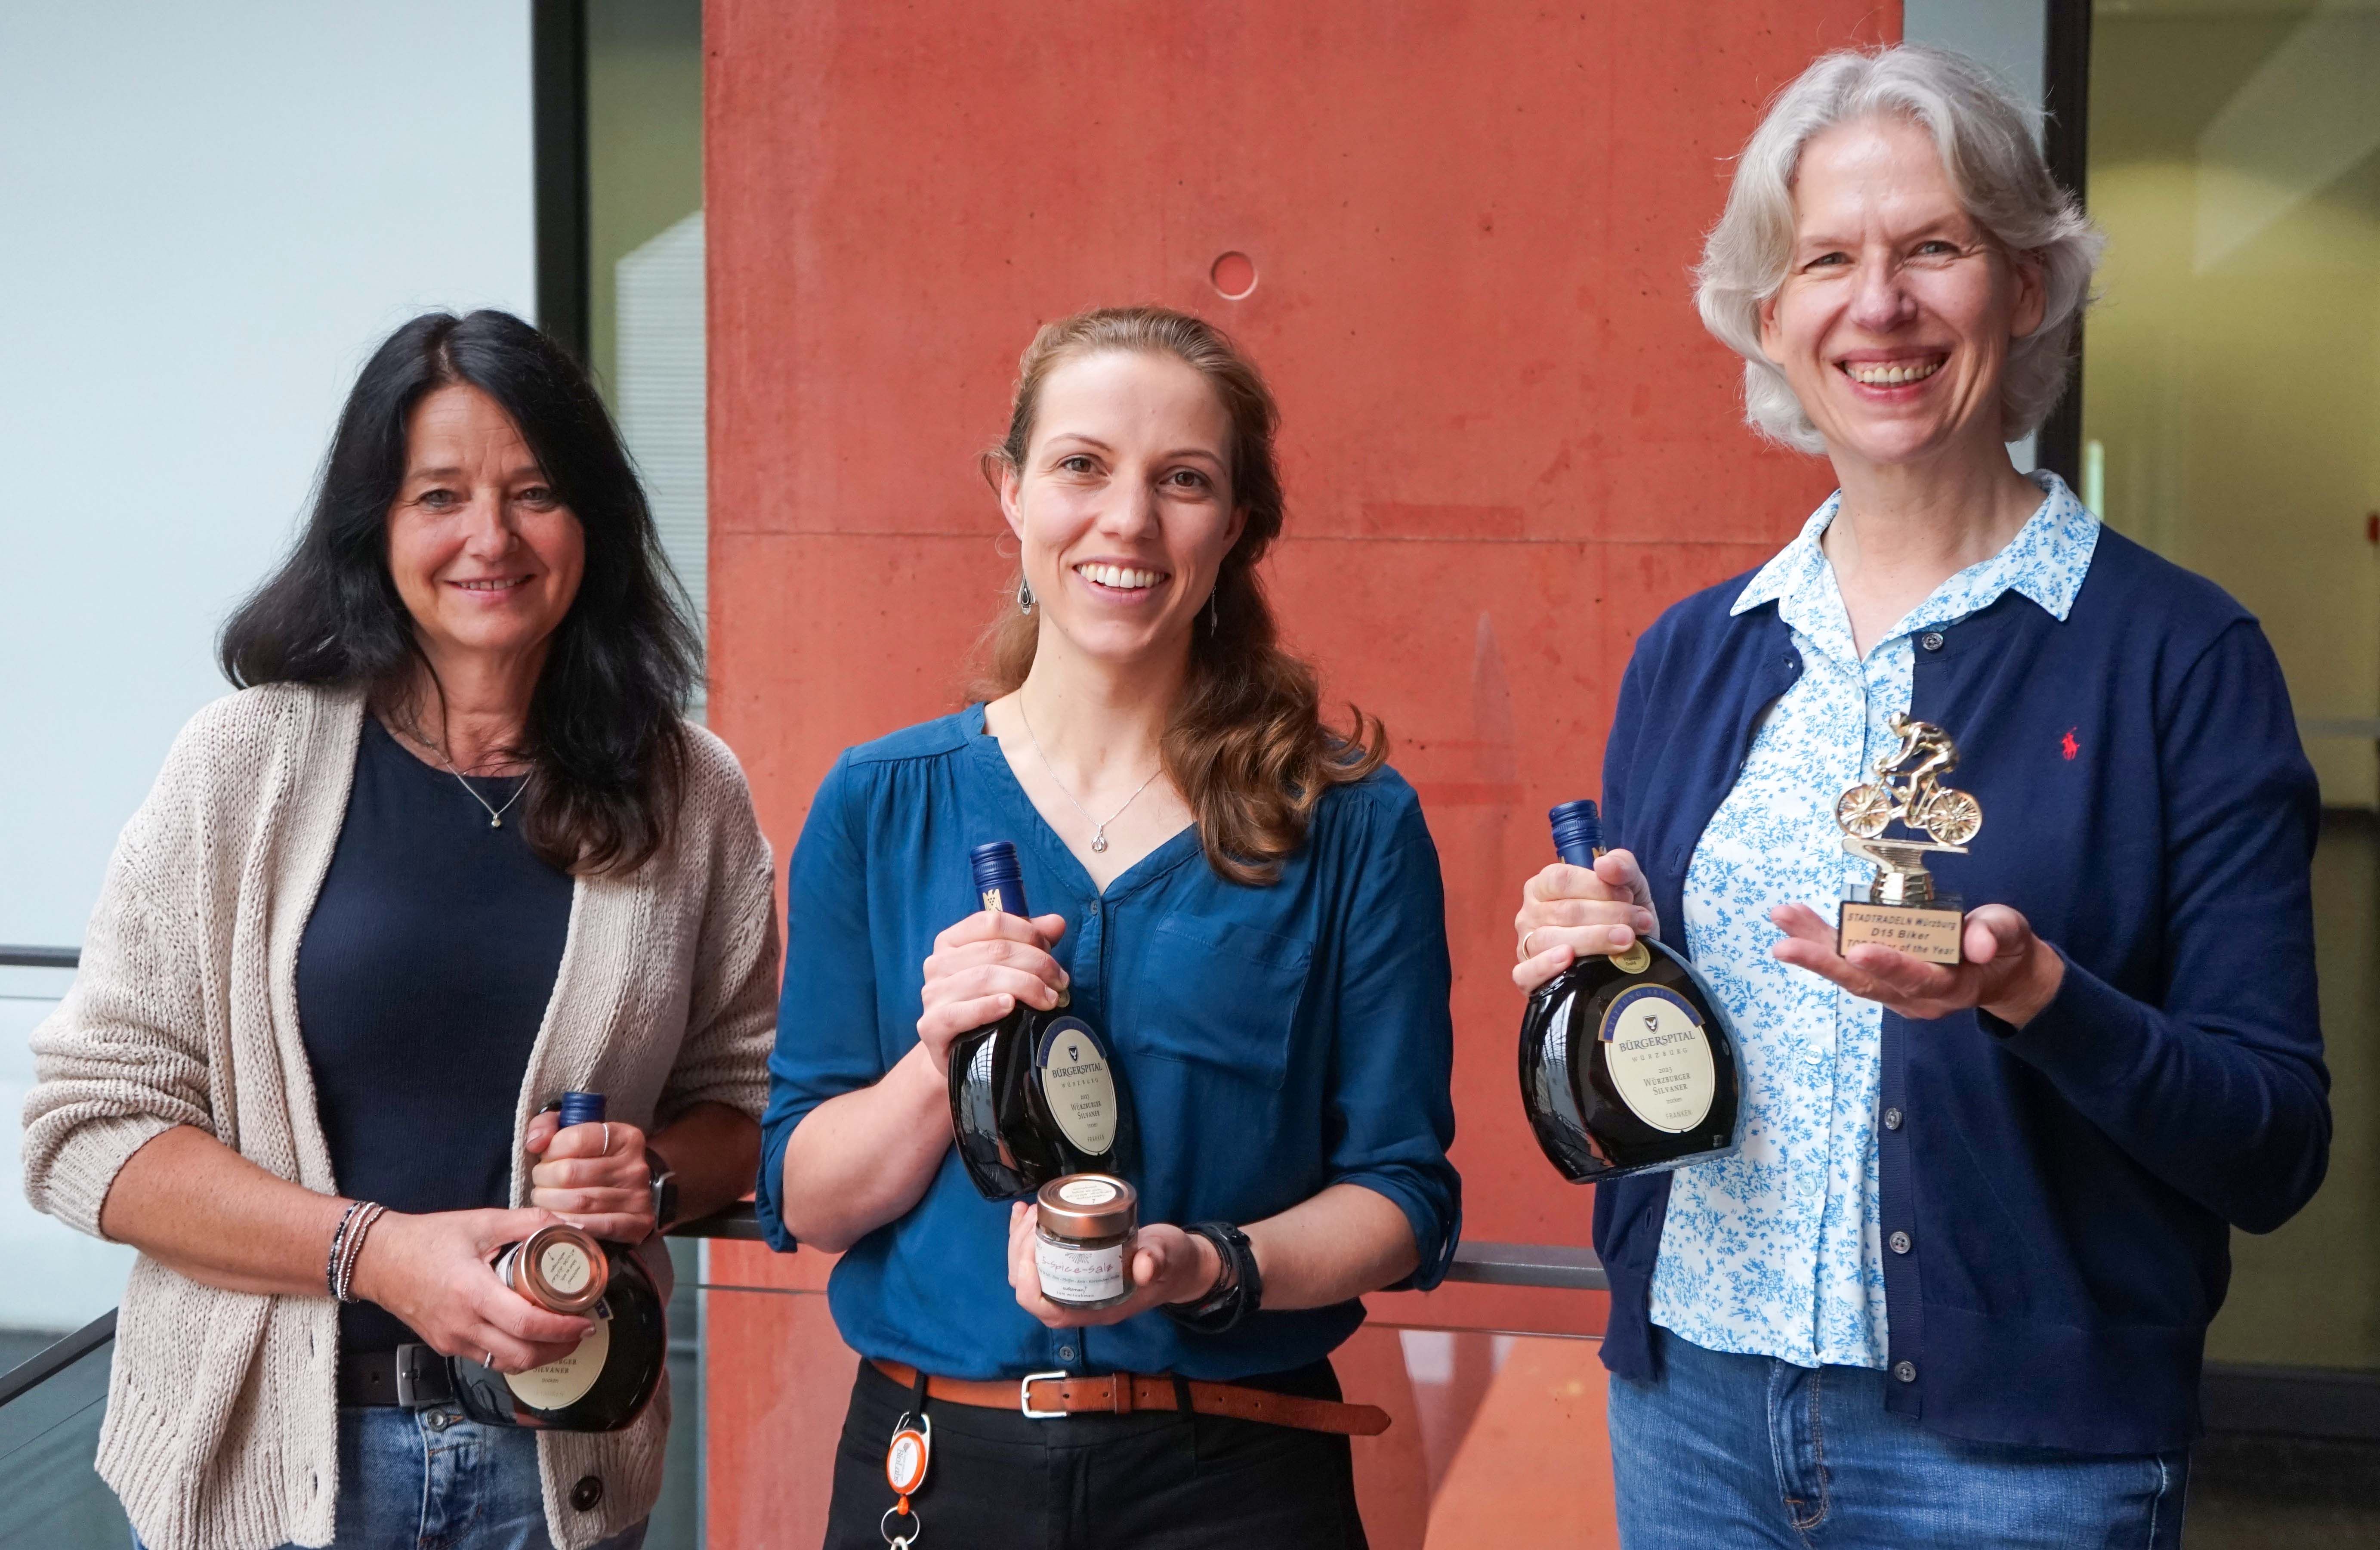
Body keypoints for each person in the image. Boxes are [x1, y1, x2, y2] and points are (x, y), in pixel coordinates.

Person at [1509, 45, 2326, 1548]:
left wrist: (2035, 995)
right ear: (1770, 316)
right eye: (1826, 259)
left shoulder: (2176, 656)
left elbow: (2271, 1144)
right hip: (1692, 1413)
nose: (1876, 305)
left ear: (2024, 286)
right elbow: (1663, 1061)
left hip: (2017, 1463)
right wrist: (1607, 957)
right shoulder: (1693, 654)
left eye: (1932, 247)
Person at [22, 310, 780, 1550]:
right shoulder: (242, 765)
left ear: (592, 520)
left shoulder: (689, 792)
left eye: (535, 493)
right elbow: (85, 1129)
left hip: (561, 1466)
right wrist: (375, 1255)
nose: (491, 537)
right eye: (440, 496)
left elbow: (748, 1103)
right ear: (374, 524)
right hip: (272, 1470)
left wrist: (648, 1175)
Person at [757, 305, 1460, 1548]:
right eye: (1082, 465)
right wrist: (937, 1060)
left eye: (1182, 480)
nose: (1127, 519)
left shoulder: (1352, 822)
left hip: (1235, 1479)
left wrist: (1208, 1265)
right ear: (1011, 492)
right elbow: (809, 1202)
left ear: (1233, 526)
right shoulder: (877, 802)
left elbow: (1402, 1197)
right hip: (933, 1468)